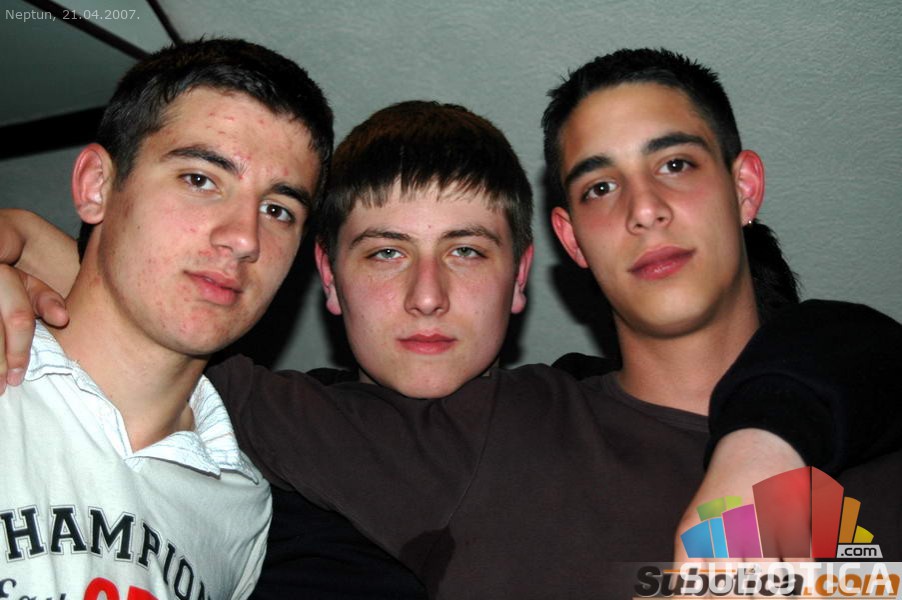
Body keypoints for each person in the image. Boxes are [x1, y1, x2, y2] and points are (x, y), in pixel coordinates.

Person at [2, 78, 899, 598]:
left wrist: (762, 446)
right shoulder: (459, 435)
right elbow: (158, 322)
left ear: (522, 274)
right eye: (385, 253)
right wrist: (33, 246)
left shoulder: (851, 389)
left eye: (467, 251)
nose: (426, 297)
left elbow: (848, 344)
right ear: (326, 279)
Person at [0, 38, 332, 599]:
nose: (244, 238)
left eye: (278, 209)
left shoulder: (242, 509)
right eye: (201, 179)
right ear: (97, 185)